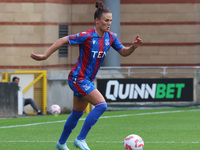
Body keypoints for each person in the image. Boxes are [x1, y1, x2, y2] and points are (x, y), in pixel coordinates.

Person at [30, 1, 142, 150]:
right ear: (97, 21)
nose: (109, 24)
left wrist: (133, 47)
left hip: (86, 80)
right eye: (106, 20)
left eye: (111, 21)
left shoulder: (110, 38)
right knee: (102, 105)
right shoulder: (87, 36)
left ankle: (61, 143)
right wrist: (45, 55)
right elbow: (63, 39)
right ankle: (80, 139)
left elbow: (124, 52)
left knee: (77, 113)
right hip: (78, 78)